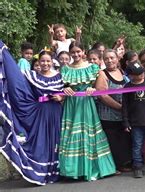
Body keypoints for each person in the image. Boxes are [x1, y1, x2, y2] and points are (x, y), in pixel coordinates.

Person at [0, 48, 63, 185]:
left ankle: (57, 170)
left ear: (52, 62)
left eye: (48, 61)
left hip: (56, 112)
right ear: (38, 62)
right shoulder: (32, 76)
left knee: (57, 139)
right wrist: (5, 56)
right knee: (42, 142)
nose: (45, 63)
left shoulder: (61, 76)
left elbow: (71, 94)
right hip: (40, 113)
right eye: (42, 61)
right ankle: (42, 171)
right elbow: (16, 80)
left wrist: (61, 98)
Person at [59, 42, 116, 181]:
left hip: (86, 104)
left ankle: (91, 169)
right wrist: (64, 89)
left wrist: (93, 89)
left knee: (88, 133)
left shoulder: (92, 68)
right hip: (71, 105)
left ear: (83, 52)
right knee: (72, 133)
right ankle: (72, 171)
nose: (76, 54)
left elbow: (101, 89)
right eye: (73, 52)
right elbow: (61, 88)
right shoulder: (65, 69)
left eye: (78, 51)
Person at [95, 49, 132, 174]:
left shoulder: (122, 72)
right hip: (108, 115)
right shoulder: (102, 74)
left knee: (122, 140)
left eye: (112, 57)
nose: (109, 60)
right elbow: (102, 95)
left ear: (117, 58)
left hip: (123, 116)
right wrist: (120, 107)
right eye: (106, 58)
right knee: (111, 142)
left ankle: (122, 164)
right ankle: (112, 167)